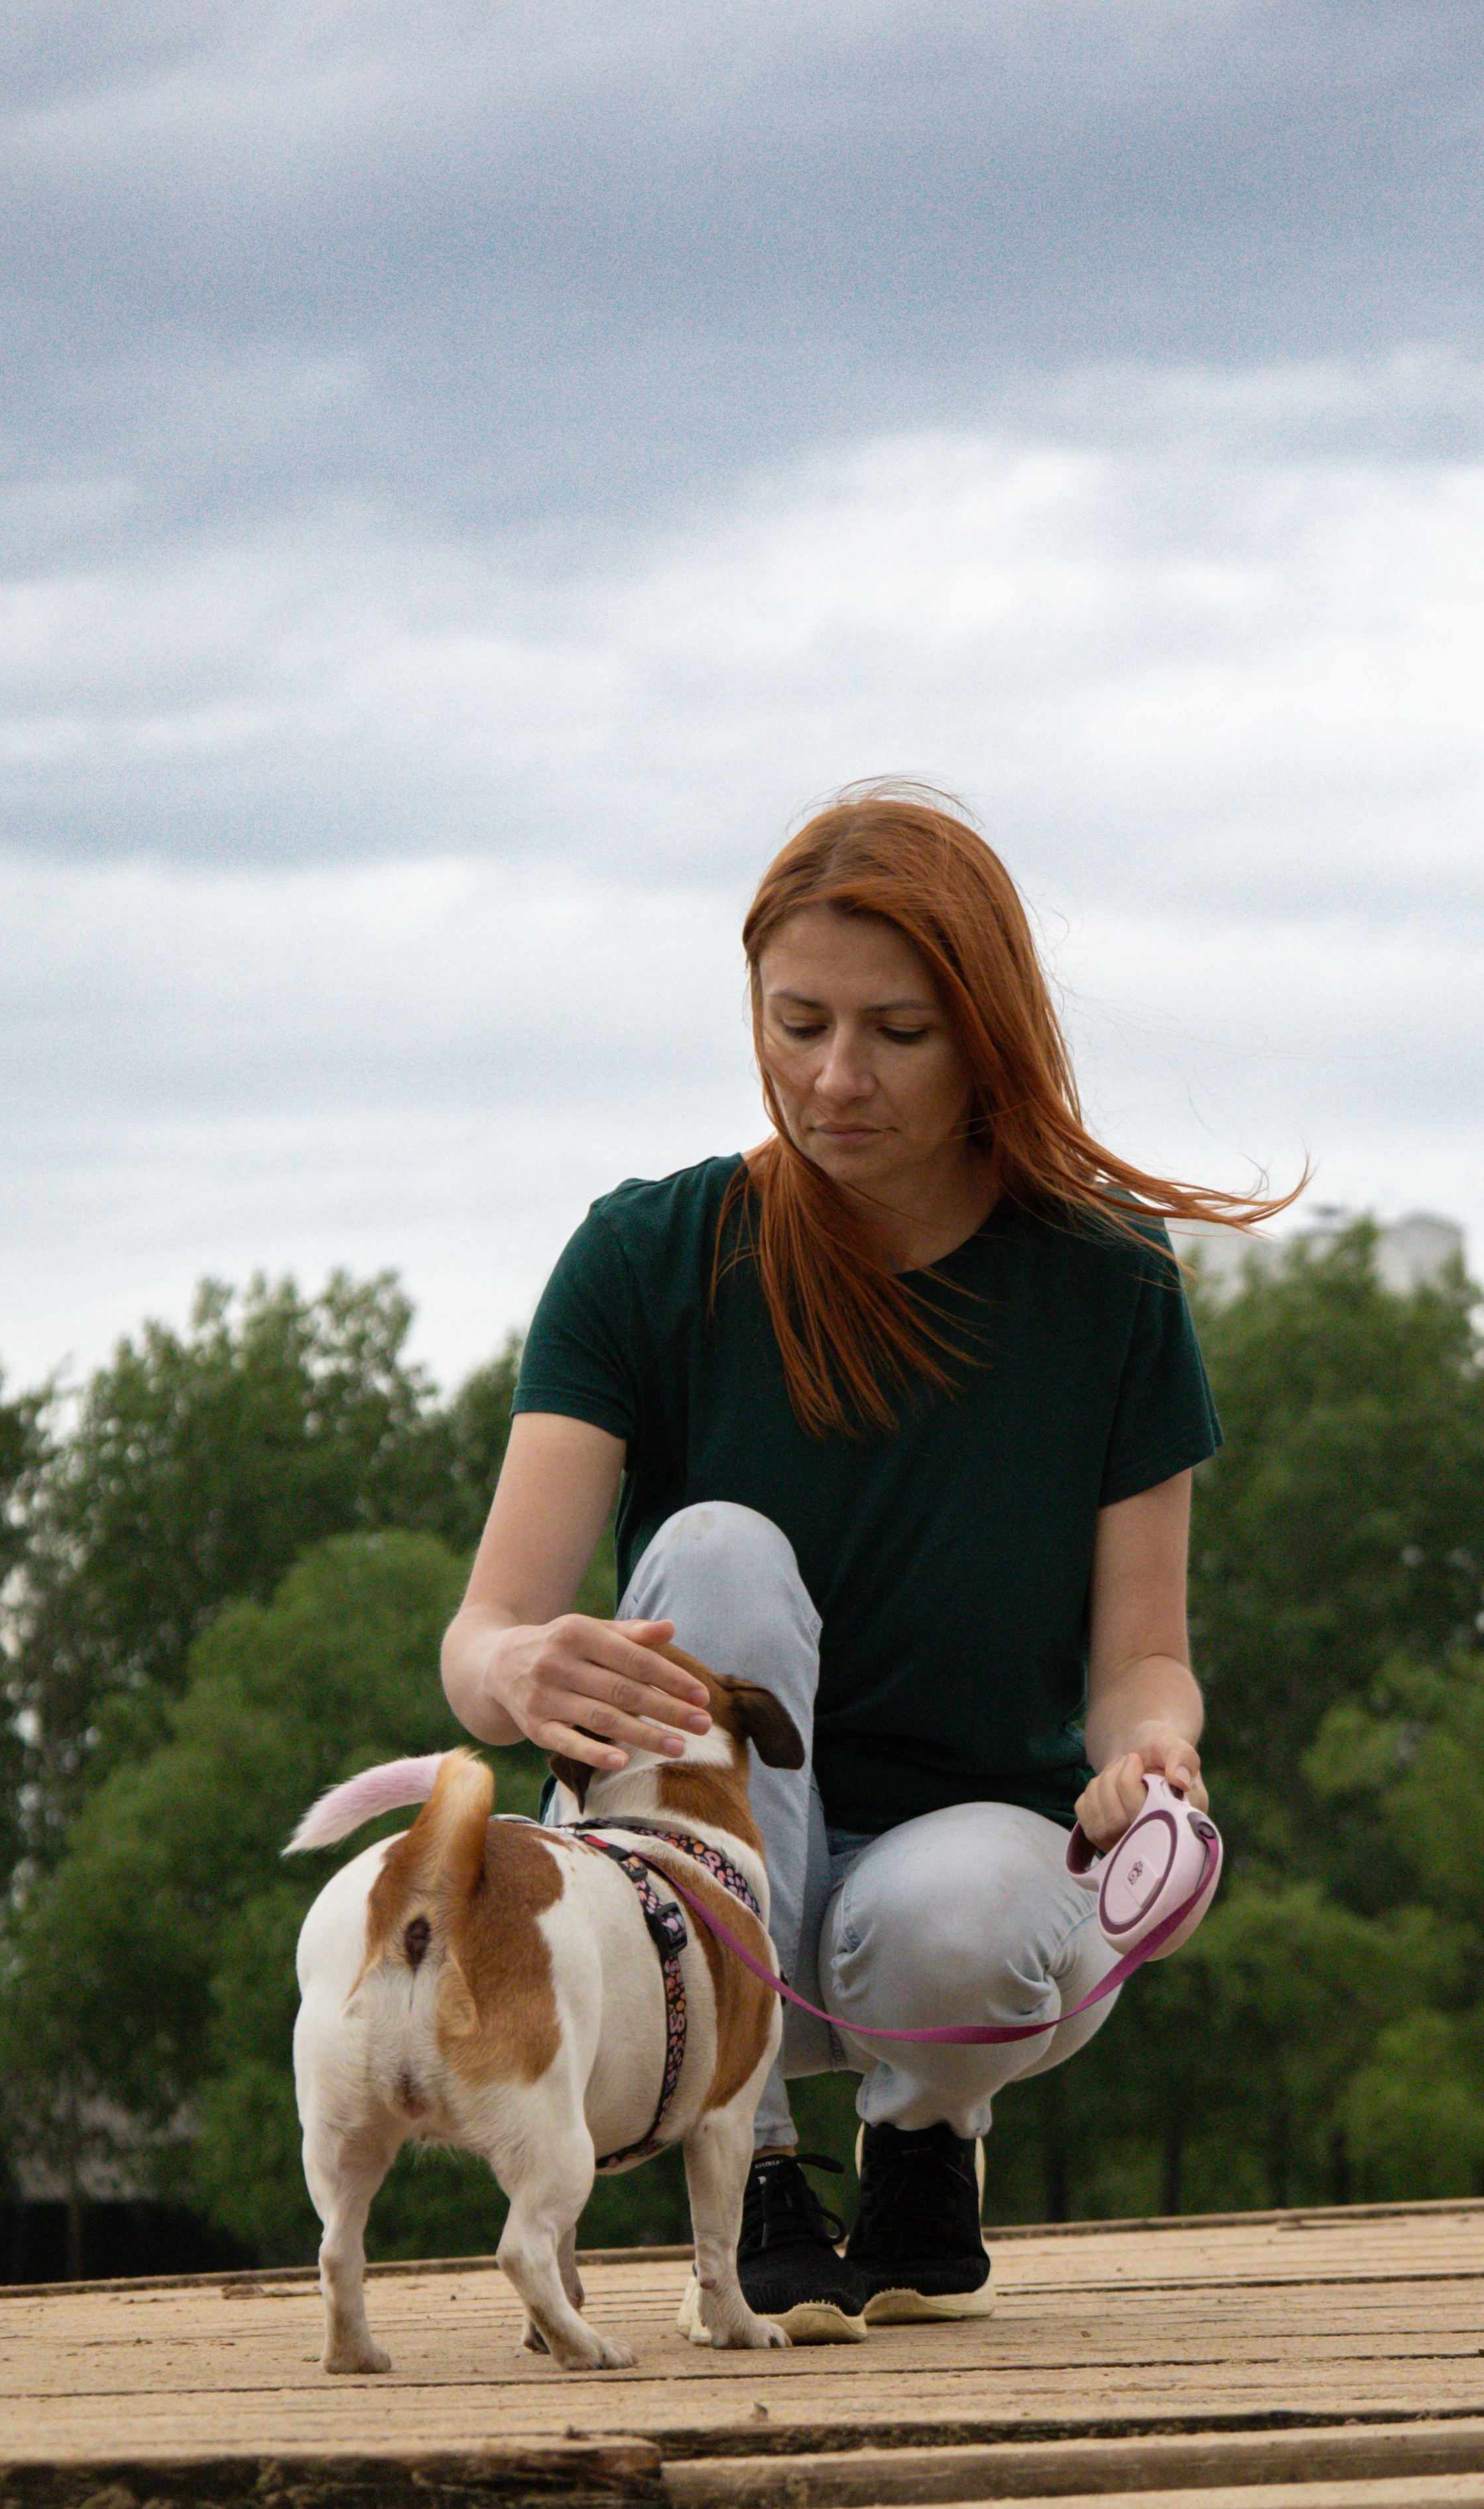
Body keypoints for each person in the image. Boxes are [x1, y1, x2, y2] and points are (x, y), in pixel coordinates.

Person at [441, 786, 1286, 2345]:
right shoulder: (643, 1255)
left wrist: (1153, 1751)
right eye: (798, 1022)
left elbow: (1136, 1660)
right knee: (715, 1549)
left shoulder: (1105, 1280)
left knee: (952, 1914)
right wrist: (510, 1665)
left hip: (958, 1889)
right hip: (684, 1901)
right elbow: (484, 1629)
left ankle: (921, 2140)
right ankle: (751, 2165)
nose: (835, 1077)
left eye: (896, 1031)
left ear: (988, 1035)